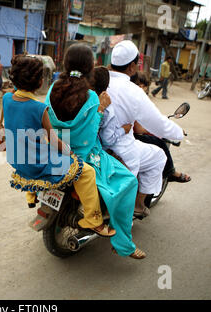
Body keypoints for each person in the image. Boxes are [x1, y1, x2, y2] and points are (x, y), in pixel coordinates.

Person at [45, 44, 145, 259]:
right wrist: (100, 109)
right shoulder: (91, 97)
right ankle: (122, 243)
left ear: (66, 63)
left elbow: (48, 123)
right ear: (90, 66)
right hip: (84, 156)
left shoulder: (53, 88)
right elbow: (89, 137)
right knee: (129, 182)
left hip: (55, 151)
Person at [4, 54, 115, 238]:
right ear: (41, 82)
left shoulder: (6, 99)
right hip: (37, 164)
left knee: (37, 149)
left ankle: (31, 195)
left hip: (17, 160)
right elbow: (55, 141)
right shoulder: (39, 109)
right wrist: (71, 154)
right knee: (86, 172)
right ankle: (94, 220)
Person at [104, 40, 183, 217]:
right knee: (159, 156)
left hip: (96, 145)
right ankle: (138, 205)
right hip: (120, 148)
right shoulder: (133, 92)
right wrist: (179, 133)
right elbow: (159, 124)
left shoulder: (100, 81)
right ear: (132, 66)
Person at [131, 72, 191, 183]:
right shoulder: (136, 99)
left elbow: (152, 118)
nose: (142, 88)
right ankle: (171, 172)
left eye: (144, 86)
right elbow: (139, 129)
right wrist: (154, 131)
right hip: (130, 139)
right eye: (140, 85)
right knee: (160, 145)